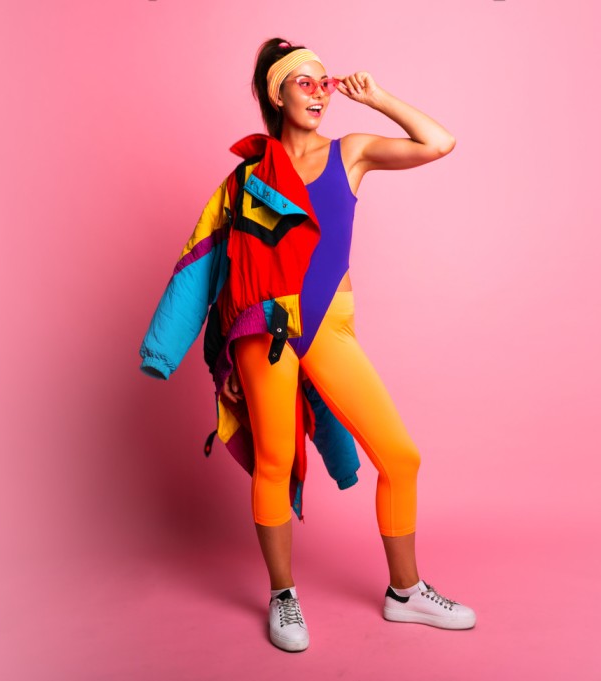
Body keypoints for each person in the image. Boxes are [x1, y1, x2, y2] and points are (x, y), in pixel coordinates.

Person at [223, 38, 476, 652]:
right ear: (276, 96)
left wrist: (378, 97)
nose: (319, 93)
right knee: (274, 463)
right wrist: (228, 351)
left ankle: (405, 592)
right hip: (268, 333)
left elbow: (439, 142)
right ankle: (283, 595)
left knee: (400, 456)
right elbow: (236, 270)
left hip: (329, 328)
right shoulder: (251, 175)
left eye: (324, 82)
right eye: (303, 83)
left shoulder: (351, 153)